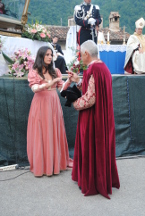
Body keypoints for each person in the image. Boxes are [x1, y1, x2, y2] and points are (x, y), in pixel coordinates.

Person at [67, 40, 120, 199]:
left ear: (86, 54)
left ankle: (92, 181)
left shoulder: (92, 69)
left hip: (92, 118)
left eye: (81, 54)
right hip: (104, 116)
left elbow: (90, 98)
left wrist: (75, 103)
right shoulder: (104, 68)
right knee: (101, 147)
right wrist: (78, 81)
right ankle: (102, 178)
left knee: (91, 145)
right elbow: (94, 88)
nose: (80, 57)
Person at [27, 46, 72, 177]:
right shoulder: (34, 72)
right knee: (41, 132)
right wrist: (49, 83)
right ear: (41, 56)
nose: (50, 57)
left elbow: (61, 89)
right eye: (47, 54)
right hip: (40, 104)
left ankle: (54, 164)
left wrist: (69, 80)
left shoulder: (56, 71)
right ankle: (42, 166)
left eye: (51, 54)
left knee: (53, 131)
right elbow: (35, 89)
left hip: (54, 104)